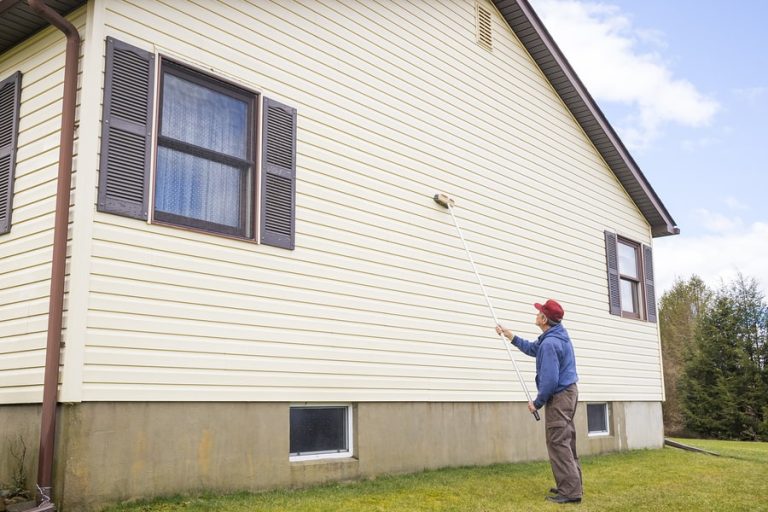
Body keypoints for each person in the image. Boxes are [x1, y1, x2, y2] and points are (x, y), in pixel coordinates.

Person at [496, 299, 582, 504]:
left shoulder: (551, 343)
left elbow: (550, 381)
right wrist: (510, 335)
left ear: (544, 319)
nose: (536, 314)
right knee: (565, 441)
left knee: (558, 441)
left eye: (539, 313)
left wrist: (538, 402)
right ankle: (569, 485)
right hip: (568, 393)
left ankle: (570, 493)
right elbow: (533, 348)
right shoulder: (555, 335)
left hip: (560, 396)